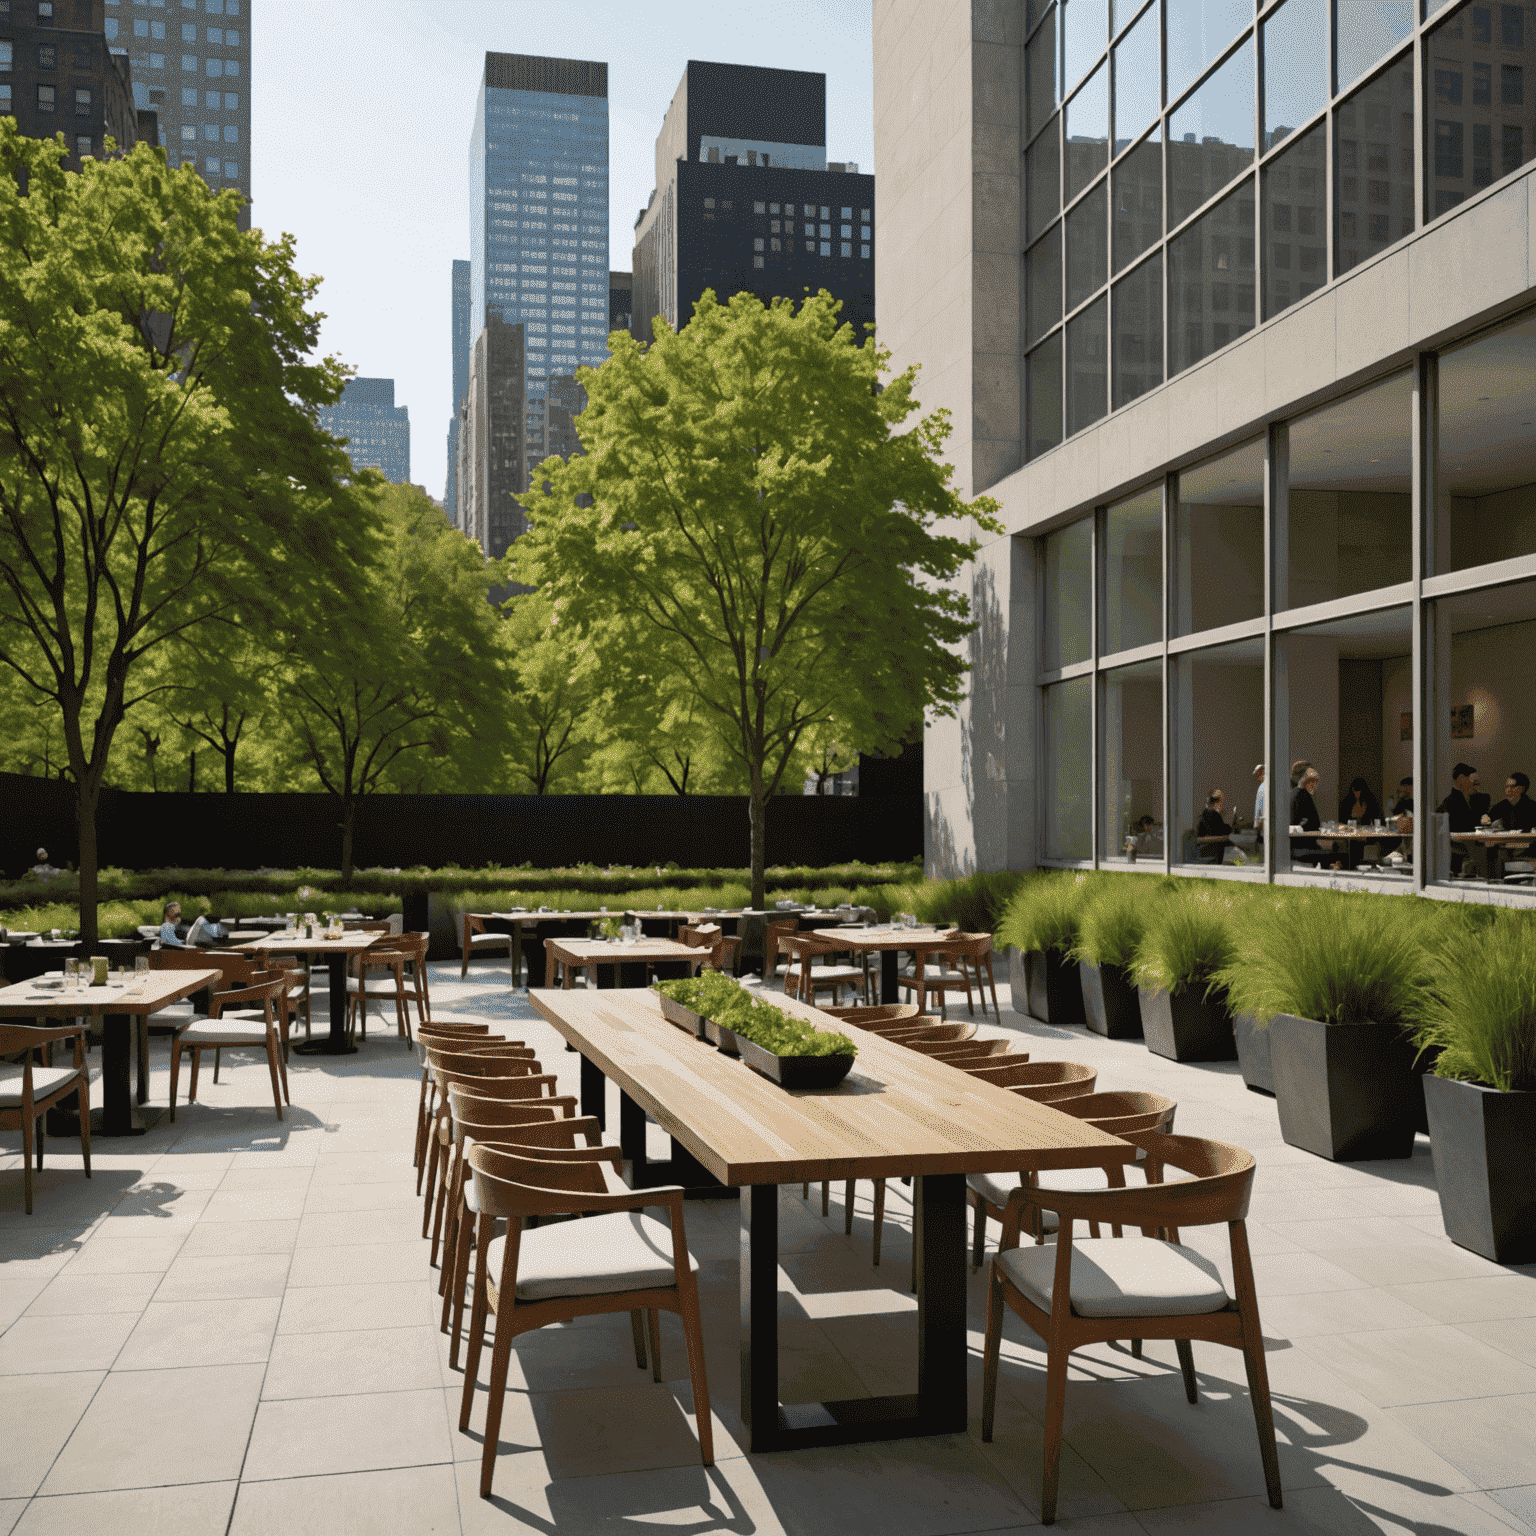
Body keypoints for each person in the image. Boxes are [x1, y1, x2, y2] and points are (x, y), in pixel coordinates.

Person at [1337, 778, 1383, 870]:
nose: (1356, 794)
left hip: (1367, 833)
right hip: (1350, 833)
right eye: (1354, 791)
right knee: (1349, 844)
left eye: (1358, 791)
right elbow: (1342, 821)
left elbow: (1378, 820)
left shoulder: (1370, 801)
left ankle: (1353, 866)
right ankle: (1349, 866)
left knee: (1357, 844)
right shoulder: (1347, 801)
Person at [1290, 767, 1324, 864]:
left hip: (1292, 846)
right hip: (1303, 847)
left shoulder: (1292, 793)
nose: (1316, 785)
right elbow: (1314, 823)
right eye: (1314, 781)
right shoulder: (1303, 795)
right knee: (1338, 854)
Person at [1196, 789, 1231, 863]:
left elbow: (1220, 829)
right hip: (1212, 848)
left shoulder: (1207, 813)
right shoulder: (1212, 814)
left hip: (1212, 847)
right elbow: (1219, 831)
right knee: (1237, 856)